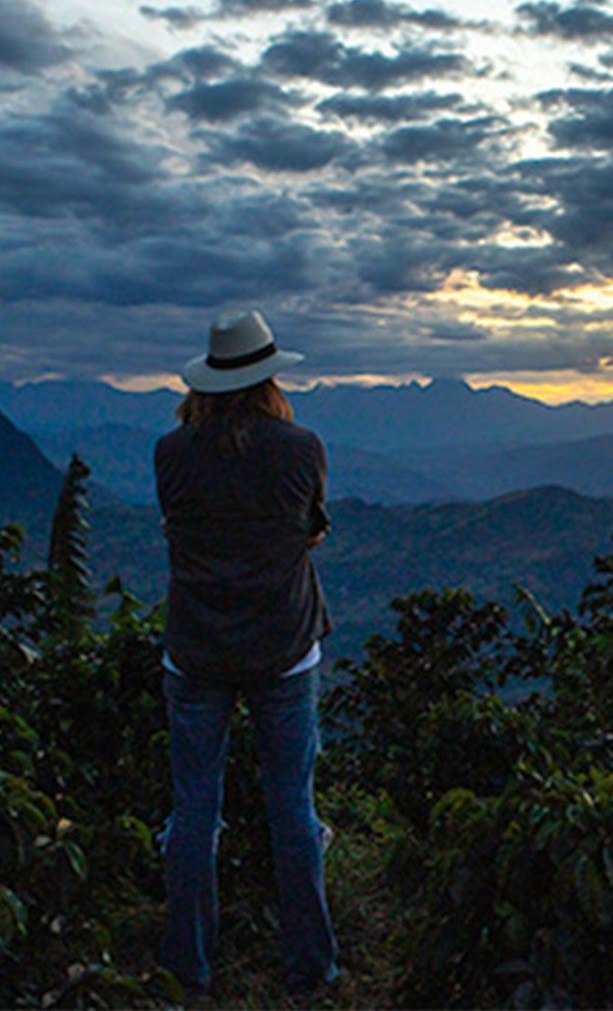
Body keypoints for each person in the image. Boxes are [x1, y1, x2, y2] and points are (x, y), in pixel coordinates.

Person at [154, 309, 338, 1001]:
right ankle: (310, 971)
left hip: (196, 648)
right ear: (268, 378)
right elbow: (309, 529)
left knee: (194, 811)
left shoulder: (171, 452)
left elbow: (178, 528)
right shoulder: (301, 448)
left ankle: (189, 969)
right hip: (283, 647)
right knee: (292, 807)